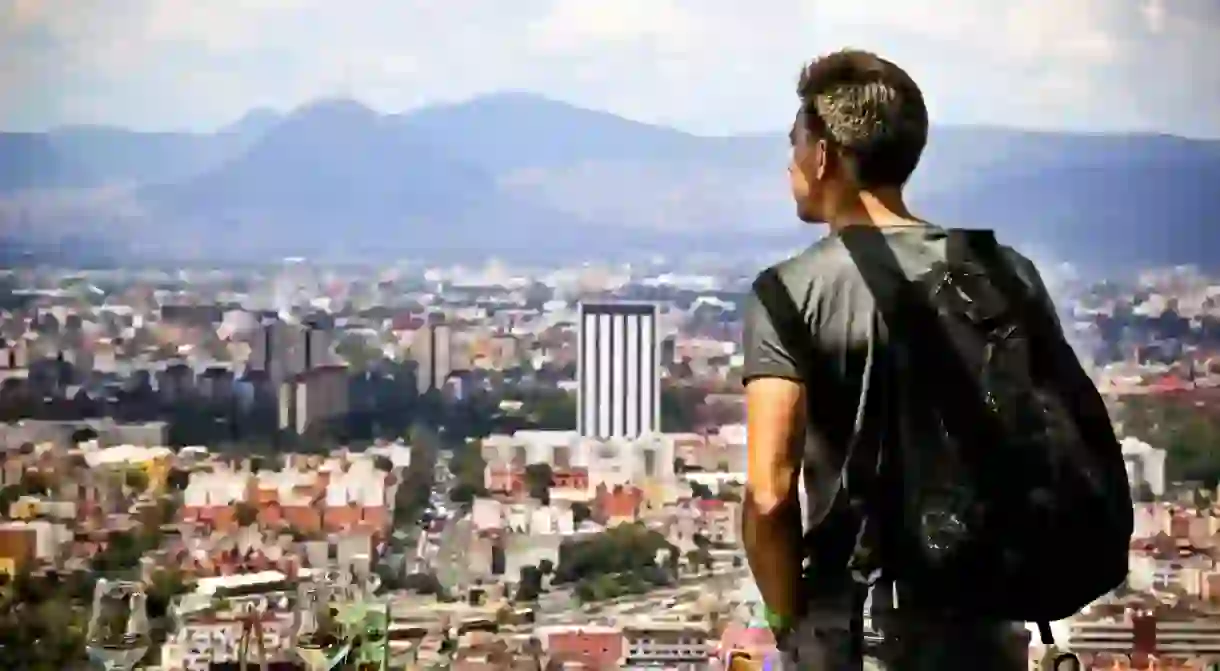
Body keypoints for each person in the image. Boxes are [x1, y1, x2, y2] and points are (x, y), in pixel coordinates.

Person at [740, 49, 1128, 670]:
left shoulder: (791, 293)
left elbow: (767, 494)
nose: (790, 163)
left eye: (794, 144)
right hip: (992, 612)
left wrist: (786, 620)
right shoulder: (1005, 273)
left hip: (864, 625)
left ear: (822, 156)